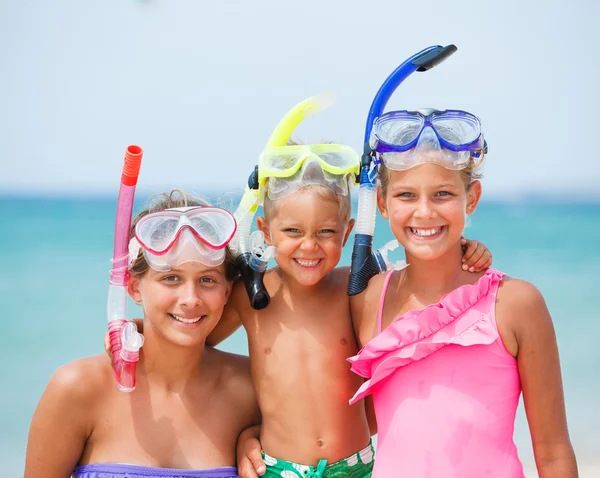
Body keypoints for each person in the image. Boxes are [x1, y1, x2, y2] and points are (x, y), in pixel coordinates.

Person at [206, 98, 493, 478]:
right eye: (292, 231)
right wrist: (245, 431)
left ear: (347, 232)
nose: (309, 246)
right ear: (264, 232)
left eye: (326, 232)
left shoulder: (356, 287)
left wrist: (463, 250)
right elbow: (196, 344)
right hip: (276, 469)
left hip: (358, 466)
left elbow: (425, 276)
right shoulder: (251, 295)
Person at [348, 109, 578, 477]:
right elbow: (348, 419)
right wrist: (251, 433)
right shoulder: (368, 300)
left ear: (471, 199)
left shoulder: (514, 304)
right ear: (382, 203)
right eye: (406, 195)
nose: (424, 212)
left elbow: (552, 452)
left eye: (443, 194)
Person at [25, 191, 260, 478]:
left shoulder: (251, 389)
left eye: (207, 279)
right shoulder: (77, 389)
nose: (190, 298)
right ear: (135, 288)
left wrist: (255, 434)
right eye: (170, 278)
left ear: (226, 291)